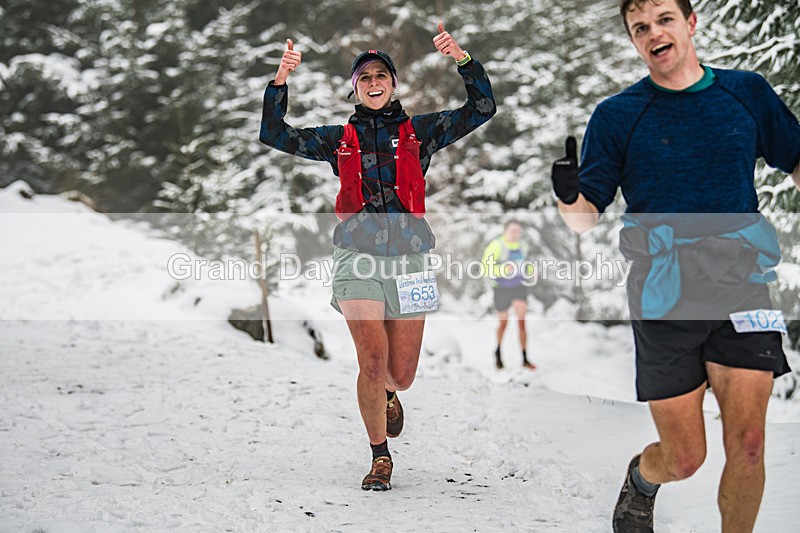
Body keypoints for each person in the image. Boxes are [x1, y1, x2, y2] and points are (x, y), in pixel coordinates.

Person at [550, 0, 800, 531]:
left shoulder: (746, 93)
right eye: (640, 27)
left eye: (664, 19)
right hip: (664, 292)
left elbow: (794, 156)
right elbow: (584, 220)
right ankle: (643, 476)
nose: (653, 32)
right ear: (633, 40)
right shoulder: (619, 115)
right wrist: (569, 196)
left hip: (742, 283)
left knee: (749, 444)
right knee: (685, 457)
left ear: (690, 23)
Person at [259, 22, 495, 491]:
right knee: (371, 359)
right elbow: (273, 133)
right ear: (355, 89)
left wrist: (463, 59)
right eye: (364, 78)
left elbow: (482, 108)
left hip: (411, 259)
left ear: (392, 84)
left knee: (400, 374)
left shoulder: (420, 132)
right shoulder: (338, 138)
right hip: (357, 256)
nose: (372, 83)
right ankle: (379, 456)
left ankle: (389, 393)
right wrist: (280, 81)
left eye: (380, 75)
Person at [481, 219, 536, 370]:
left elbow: (525, 264)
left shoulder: (523, 245)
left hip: (519, 286)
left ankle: (525, 358)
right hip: (501, 288)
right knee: (503, 323)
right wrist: (503, 270)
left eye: (518, 231)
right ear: (505, 231)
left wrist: (531, 271)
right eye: (512, 231)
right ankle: (498, 351)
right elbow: (485, 268)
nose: (515, 234)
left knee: (522, 322)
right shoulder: (497, 245)